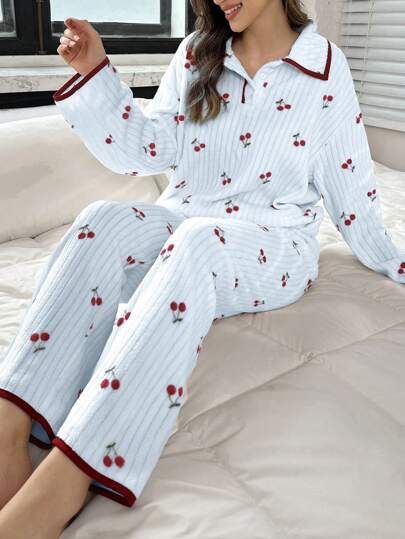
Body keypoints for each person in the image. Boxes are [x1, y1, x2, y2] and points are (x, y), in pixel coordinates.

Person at [1, 0, 404, 536]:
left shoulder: (323, 66)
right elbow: (146, 151)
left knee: (197, 242)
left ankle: (69, 477)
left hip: (275, 241)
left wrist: (392, 259)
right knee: (102, 219)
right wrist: (96, 71)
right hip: (187, 217)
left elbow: (352, 190)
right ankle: (8, 429)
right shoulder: (197, 52)